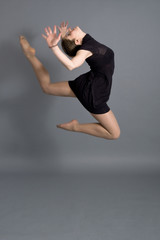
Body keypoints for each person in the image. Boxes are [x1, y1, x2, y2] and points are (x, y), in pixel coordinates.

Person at [19, 21, 120, 140]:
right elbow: (71, 65)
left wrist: (63, 36)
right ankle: (75, 127)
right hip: (93, 94)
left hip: (87, 84)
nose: (69, 31)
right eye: (69, 34)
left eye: (68, 33)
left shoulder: (86, 43)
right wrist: (53, 47)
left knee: (47, 87)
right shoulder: (85, 50)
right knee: (114, 134)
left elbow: (72, 50)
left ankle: (30, 55)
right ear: (77, 41)